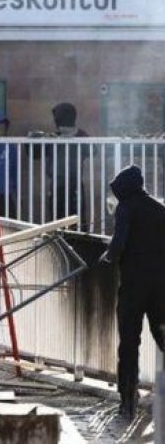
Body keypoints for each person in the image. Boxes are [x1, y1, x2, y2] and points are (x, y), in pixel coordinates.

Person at [100, 165, 165, 418]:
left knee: (129, 342)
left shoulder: (126, 208)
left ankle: (128, 399)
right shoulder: (160, 210)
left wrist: (107, 257)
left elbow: (118, 244)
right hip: (160, 289)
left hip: (133, 288)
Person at [48, 102, 90, 222]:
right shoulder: (54, 137)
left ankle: (78, 241)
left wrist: (73, 136)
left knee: (77, 221)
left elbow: (92, 151)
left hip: (74, 184)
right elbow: (35, 153)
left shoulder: (81, 136)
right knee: (56, 221)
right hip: (56, 184)